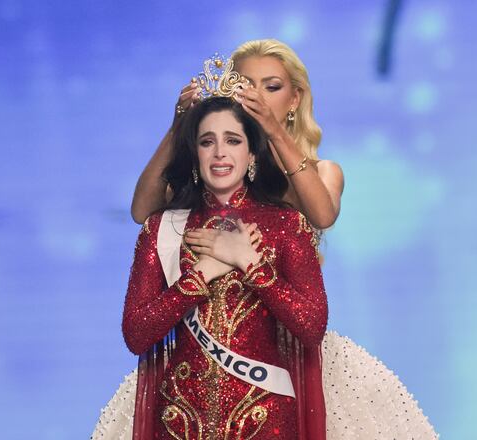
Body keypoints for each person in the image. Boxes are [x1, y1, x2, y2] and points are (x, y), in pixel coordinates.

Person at [119, 96, 328, 439]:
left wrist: (251, 264)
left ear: (252, 154)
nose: (219, 152)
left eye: (233, 140)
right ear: (194, 154)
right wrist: (200, 274)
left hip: (265, 419)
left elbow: (311, 326)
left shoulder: (287, 226)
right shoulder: (164, 229)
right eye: (207, 141)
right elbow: (136, 334)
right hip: (179, 421)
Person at [130, 39, 344, 230]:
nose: (256, 96)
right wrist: (178, 127)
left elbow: (323, 217)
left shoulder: (325, 171)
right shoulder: (220, 169)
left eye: (271, 87)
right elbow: (141, 212)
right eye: (245, 85)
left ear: (294, 99)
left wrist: (274, 131)